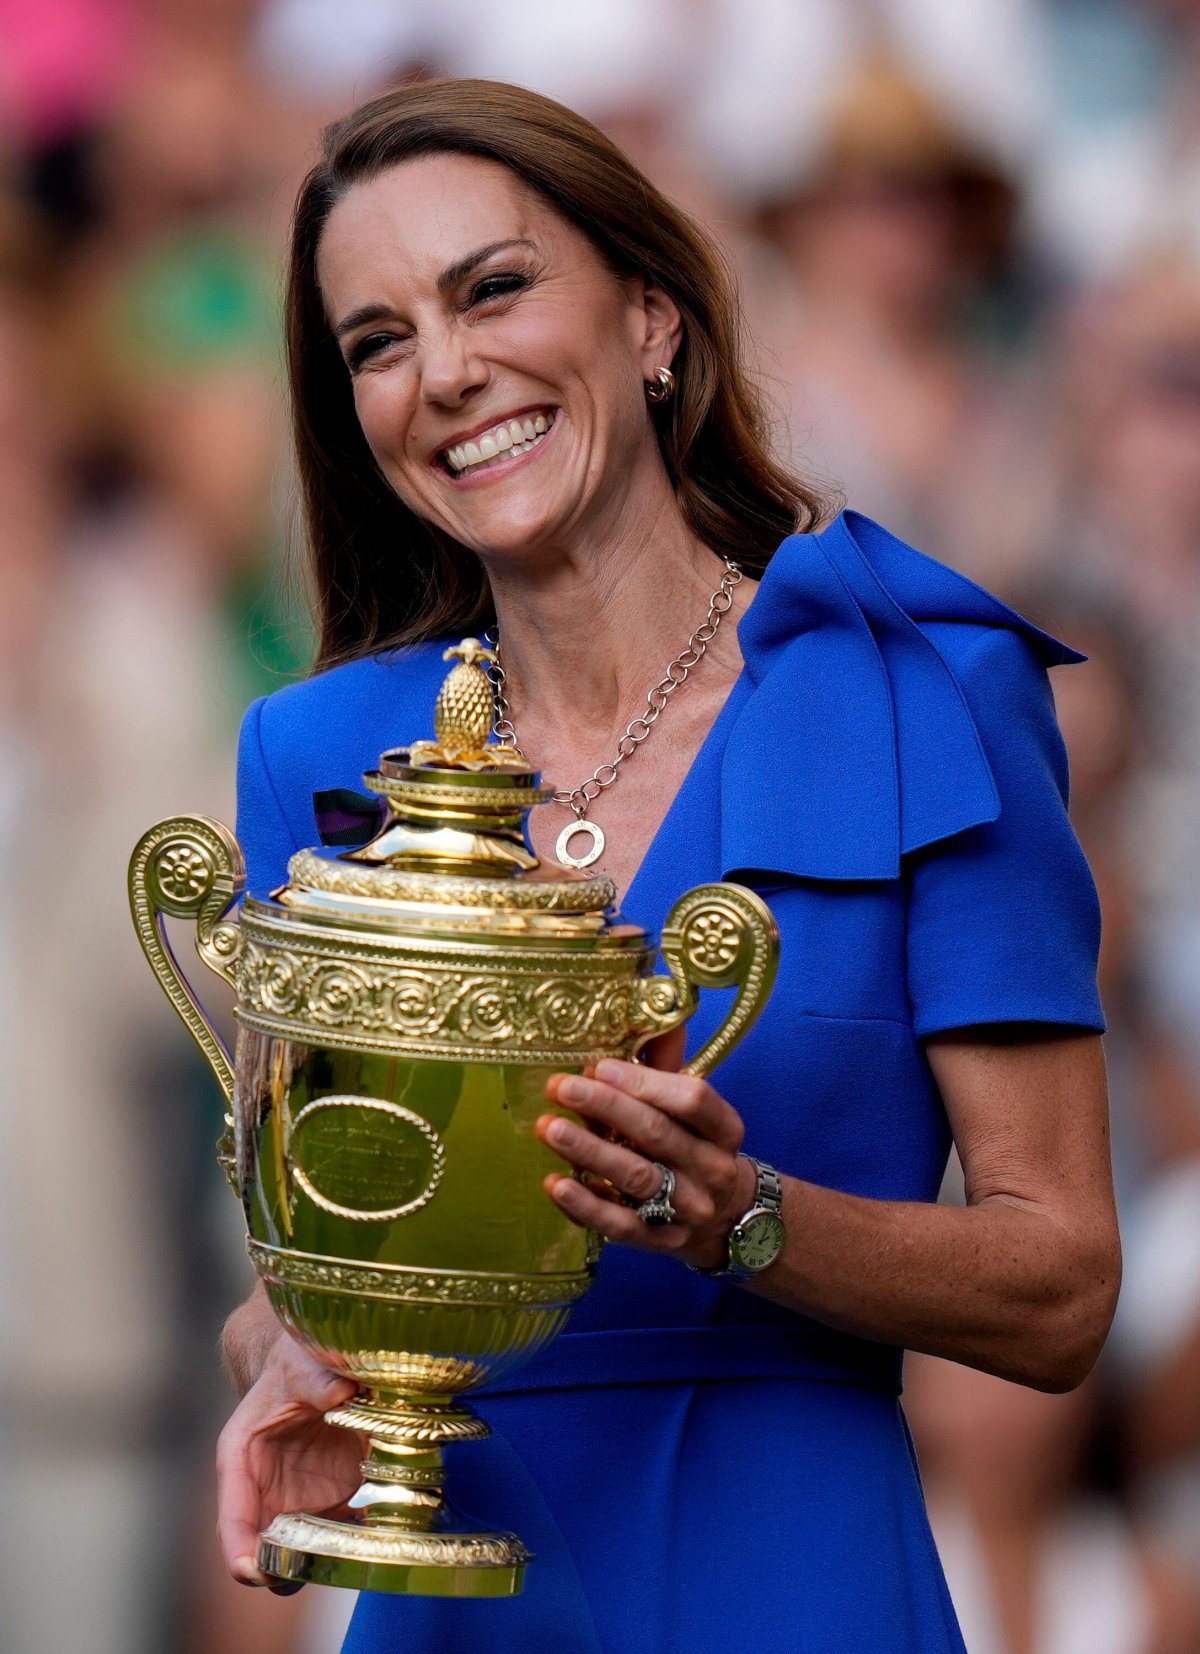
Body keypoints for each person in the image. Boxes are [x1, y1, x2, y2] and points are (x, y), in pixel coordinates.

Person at [217, 79, 1120, 1653]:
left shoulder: (921, 693)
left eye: (492, 287)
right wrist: (288, 1356)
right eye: (376, 341)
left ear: (652, 317)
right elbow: (303, 1264)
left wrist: (742, 1215)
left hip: (798, 1581)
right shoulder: (318, 760)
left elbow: (1059, 1284)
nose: (445, 371)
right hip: (465, 1596)